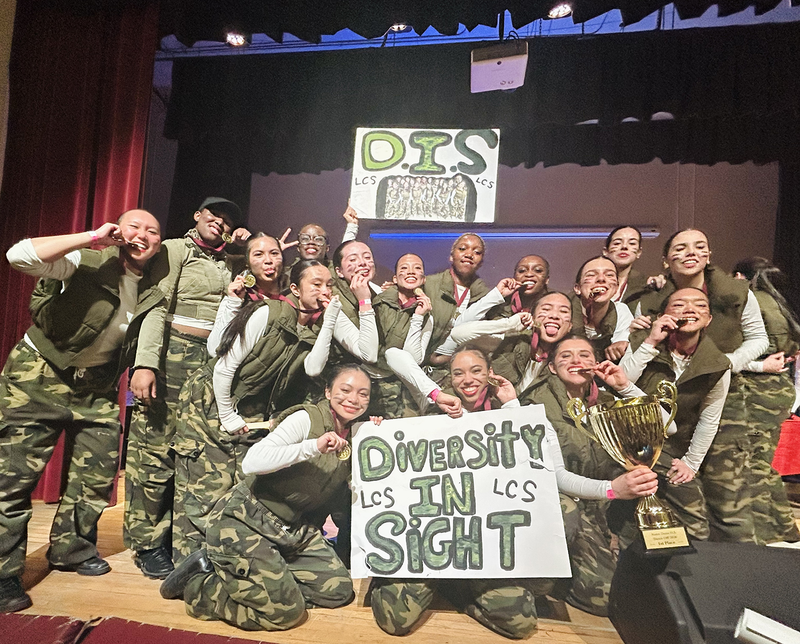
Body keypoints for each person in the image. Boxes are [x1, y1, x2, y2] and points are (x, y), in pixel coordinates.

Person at [373, 345, 658, 638]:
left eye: (476, 371)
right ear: (450, 378)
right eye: (458, 373)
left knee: (521, 624)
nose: (467, 379)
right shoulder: (435, 408)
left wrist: (611, 489)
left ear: (490, 374)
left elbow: (558, 477)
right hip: (438, 536)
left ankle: (462, 589)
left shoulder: (522, 414)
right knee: (396, 620)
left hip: (488, 540)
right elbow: (395, 354)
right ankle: (433, 579)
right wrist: (428, 398)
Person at [0, 211, 163, 613]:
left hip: (97, 388)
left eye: (153, 231)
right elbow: (18, 256)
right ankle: (3, 571)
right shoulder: (87, 261)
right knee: (13, 477)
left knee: (94, 477)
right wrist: (90, 237)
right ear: (118, 231)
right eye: (135, 226)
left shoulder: (154, 288)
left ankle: (71, 549)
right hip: (38, 377)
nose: (143, 235)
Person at [171, 253, 379, 562]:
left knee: (234, 486)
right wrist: (227, 414)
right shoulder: (268, 313)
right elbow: (225, 366)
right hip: (212, 400)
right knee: (201, 486)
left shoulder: (325, 319)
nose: (324, 290)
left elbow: (364, 352)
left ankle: (221, 561)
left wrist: (360, 305)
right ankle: (186, 567)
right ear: (295, 289)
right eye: (316, 283)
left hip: (251, 410)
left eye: (329, 284)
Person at [160, 365, 376, 632]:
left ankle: (267, 581)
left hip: (292, 530)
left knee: (339, 592)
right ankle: (201, 588)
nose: (353, 399)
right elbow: (253, 462)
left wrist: (379, 434)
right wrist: (312, 446)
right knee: (286, 615)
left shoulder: (357, 434)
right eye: (345, 390)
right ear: (328, 391)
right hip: (246, 520)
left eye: (363, 394)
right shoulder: (306, 419)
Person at [124, 197, 249, 579]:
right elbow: (157, 307)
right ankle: (147, 542)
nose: (220, 222)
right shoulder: (175, 249)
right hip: (174, 353)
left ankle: (184, 538)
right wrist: (146, 363)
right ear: (197, 216)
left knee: (195, 450)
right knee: (155, 446)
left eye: (227, 219)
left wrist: (245, 249)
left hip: (217, 361)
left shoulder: (232, 259)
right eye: (213, 214)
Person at [633, 229, 768, 542]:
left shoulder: (736, 292)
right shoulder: (652, 299)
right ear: (666, 260)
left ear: (709, 255)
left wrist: (723, 366)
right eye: (680, 247)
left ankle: (739, 568)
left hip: (722, 396)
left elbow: (759, 339)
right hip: (669, 405)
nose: (690, 252)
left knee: (727, 489)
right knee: (681, 485)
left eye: (699, 247)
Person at [524, 335, 670, 616]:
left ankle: (583, 558)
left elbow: (667, 425)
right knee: (603, 596)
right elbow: (556, 476)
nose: (576, 361)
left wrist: (624, 386)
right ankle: (552, 570)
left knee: (626, 592)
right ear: (552, 367)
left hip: (603, 507)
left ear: (596, 364)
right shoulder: (535, 404)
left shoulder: (607, 402)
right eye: (565, 356)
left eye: (584, 355)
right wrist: (613, 489)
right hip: (559, 506)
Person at [621, 288, 731, 541]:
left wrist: (691, 464)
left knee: (695, 526)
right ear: (663, 315)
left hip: (670, 450)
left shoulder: (717, 363)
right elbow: (620, 382)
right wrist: (651, 342)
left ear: (709, 319)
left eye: (700, 305)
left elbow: (709, 418)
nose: (690, 310)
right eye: (679, 304)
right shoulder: (640, 341)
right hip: (625, 441)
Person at [732, 257, 800, 543]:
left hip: (756, 388)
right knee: (763, 461)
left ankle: (770, 529)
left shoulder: (751, 300)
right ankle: (782, 526)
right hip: (778, 388)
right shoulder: (779, 300)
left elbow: (738, 351)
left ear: (740, 276)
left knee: (754, 464)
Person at [446, 291, 573, 397]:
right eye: (546, 309)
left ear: (570, 327)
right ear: (533, 317)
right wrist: (508, 325)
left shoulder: (570, 360)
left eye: (563, 311)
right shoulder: (511, 340)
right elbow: (458, 334)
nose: (554, 315)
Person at [369, 253, 433, 418]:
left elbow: (414, 358)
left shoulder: (427, 315)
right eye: (404, 268)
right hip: (371, 376)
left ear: (423, 279)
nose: (411, 272)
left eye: (417, 268)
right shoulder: (378, 303)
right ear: (395, 278)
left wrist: (418, 317)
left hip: (403, 384)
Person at [570, 256, 634, 362]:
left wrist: (623, 344)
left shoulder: (621, 311)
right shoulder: (563, 312)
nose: (601, 279)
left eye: (609, 275)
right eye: (591, 274)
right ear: (577, 288)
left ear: (616, 288)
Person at [602, 226, 650, 308]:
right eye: (617, 243)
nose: (624, 246)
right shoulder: (591, 282)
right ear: (605, 251)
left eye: (632, 243)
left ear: (639, 252)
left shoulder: (646, 286)